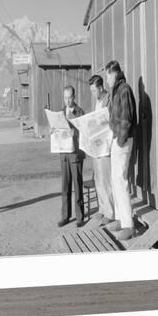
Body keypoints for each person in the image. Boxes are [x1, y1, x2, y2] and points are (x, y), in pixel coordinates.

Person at [105, 60, 137, 241]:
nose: (107, 79)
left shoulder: (124, 89)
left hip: (122, 142)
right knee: (115, 180)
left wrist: (120, 140)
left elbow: (126, 119)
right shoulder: (117, 90)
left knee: (121, 180)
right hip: (117, 140)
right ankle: (119, 218)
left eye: (108, 75)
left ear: (114, 74)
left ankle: (128, 226)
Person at [57, 86, 85, 228]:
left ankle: (80, 217)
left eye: (70, 97)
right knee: (65, 186)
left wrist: (76, 133)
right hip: (64, 154)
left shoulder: (79, 112)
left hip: (75, 154)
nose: (67, 100)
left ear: (74, 97)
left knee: (77, 185)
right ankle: (65, 216)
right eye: (65, 97)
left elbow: (84, 131)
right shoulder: (60, 113)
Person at [88, 75, 114, 225]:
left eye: (93, 91)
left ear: (100, 88)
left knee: (106, 180)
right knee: (98, 179)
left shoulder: (108, 100)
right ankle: (102, 209)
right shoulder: (97, 102)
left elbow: (109, 121)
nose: (92, 94)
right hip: (96, 145)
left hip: (105, 146)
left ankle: (110, 212)